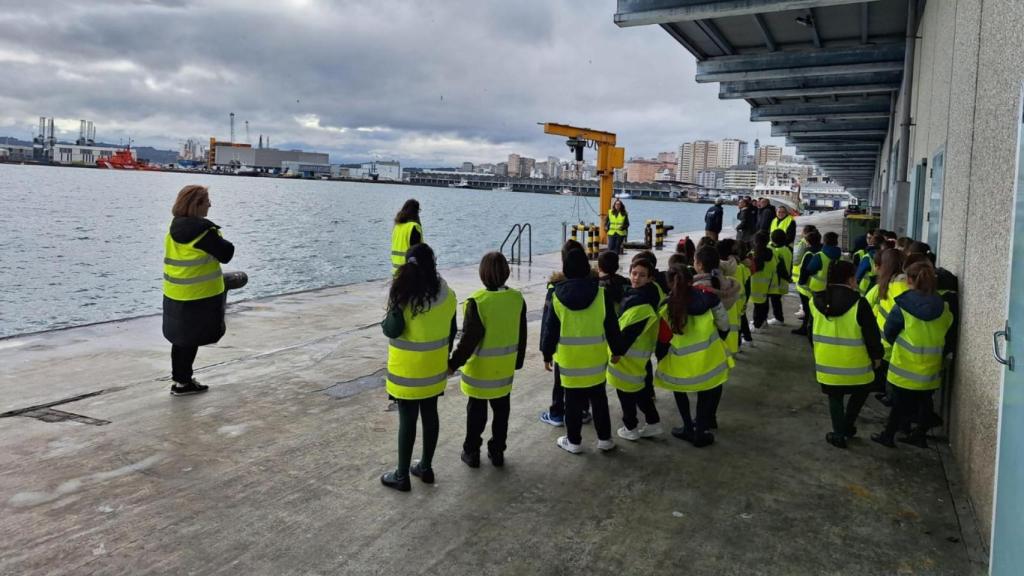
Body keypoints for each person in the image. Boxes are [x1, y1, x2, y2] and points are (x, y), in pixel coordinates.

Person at [380, 243, 457, 491]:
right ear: (432, 264)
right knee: (430, 413)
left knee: (407, 419)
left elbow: (392, 329)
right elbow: (452, 329)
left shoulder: (402, 293)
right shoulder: (447, 294)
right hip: (434, 368)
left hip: (406, 372)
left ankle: (401, 475)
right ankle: (425, 466)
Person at [541, 246, 625, 454]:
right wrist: (617, 350)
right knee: (599, 399)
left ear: (565, 270)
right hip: (596, 359)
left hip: (569, 362)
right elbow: (611, 326)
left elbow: (550, 329)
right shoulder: (601, 294)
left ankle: (574, 441)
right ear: (588, 269)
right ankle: (605, 439)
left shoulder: (557, 296)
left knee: (572, 401)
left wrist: (546, 353)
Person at [448, 252, 527, 468]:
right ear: (506, 273)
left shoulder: (477, 302)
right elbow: (522, 334)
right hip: (504, 371)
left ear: (483, 274)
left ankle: (471, 452)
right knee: (502, 413)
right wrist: (517, 362)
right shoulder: (517, 299)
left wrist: (453, 364)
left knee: (476, 414)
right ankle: (497, 451)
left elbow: (468, 341)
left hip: (480, 373)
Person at [162, 185, 235, 396]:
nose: (210, 205)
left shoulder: (175, 227)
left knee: (181, 340)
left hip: (175, 292)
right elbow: (226, 253)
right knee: (191, 339)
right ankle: (183, 382)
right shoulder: (201, 232)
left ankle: (181, 381)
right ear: (197, 204)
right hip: (199, 294)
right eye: (207, 201)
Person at [872, 261, 954, 448]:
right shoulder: (944, 307)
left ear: (910, 280)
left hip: (904, 364)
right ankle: (920, 435)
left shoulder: (903, 304)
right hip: (931, 364)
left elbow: (890, 329)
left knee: (899, 404)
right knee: (925, 401)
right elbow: (948, 332)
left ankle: (888, 436)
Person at [810, 260, 883, 448]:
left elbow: (812, 331)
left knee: (834, 397)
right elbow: (871, 334)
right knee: (861, 392)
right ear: (851, 279)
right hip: (857, 365)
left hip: (826, 363)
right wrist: (876, 356)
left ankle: (839, 432)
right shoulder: (859, 303)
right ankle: (847, 425)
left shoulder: (815, 301)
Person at [656, 264, 730, 447]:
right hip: (710, 358)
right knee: (708, 390)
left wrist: (660, 359)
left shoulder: (666, 307)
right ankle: (701, 428)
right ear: (692, 280)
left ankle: (687, 427)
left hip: (680, 362)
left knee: (679, 390)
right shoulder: (710, 298)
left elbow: (663, 339)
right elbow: (724, 325)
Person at [608, 258, 663, 441]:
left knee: (626, 392)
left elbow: (630, 333)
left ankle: (630, 427)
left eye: (642, 275)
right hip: (638, 356)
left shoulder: (641, 303)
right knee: (640, 391)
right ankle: (653, 422)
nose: (636, 278)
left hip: (628, 357)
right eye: (634, 273)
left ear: (649, 278)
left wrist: (617, 352)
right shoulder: (643, 295)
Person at [540, 240, 592, 427]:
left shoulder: (555, 289)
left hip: (564, 348)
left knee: (560, 383)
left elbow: (548, 323)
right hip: (589, 347)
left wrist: (545, 351)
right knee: (584, 381)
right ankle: (583, 410)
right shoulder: (595, 287)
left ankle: (557, 413)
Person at [692, 246, 739, 428]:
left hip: (704, 339)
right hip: (720, 339)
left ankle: (701, 420)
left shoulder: (699, 289)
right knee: (716, 380)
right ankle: (710, 417)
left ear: (699, 264)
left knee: (704, 383)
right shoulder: (725, 284)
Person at [792, 230, 822, 336]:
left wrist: (801, 282)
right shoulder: (822, 251)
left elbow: (805, 270)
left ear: (808, 242)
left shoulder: (809, 253)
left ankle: (806, 328)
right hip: (819, 287)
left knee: (807, 309)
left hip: (807, 287)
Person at [748, 231, 778, 331]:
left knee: (758, 306)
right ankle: (763, 321)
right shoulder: (771, 253)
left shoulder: (753, 255)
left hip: (756, 285)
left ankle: (757, 325)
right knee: (764, 303)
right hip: (768, 283)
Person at [767, 229, 793, 325]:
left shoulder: (775, 251)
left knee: (773, 301)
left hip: (775, 282)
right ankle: (779, 318)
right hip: (783, 283)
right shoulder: (787, 250)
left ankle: (778, 318)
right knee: (776, 300)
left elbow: (779, 268)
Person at [793, 224, 818, 320]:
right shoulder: (815, 244)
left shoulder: (804, 243)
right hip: (808, 277)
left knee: (805, 298)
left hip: (800, 274)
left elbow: (796, 259)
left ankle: (806, 315)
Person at [390, 199, 422, 275]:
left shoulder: (397, 227)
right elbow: (416, 251)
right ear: (416, 212)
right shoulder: (413, 227)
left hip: (396, 270)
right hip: (409, 271)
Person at [597, 250, 630, 316]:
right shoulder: (625, 281)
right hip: (622, 316)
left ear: (599, 268)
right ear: (617, 267)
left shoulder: (597, 285)